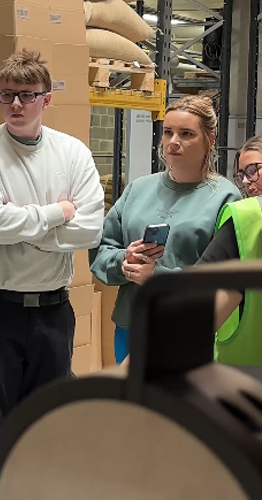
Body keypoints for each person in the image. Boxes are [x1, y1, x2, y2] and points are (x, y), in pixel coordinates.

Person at [0, 49, 105, 469]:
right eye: (6, 96)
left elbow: (91, 229)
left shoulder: (72, 153)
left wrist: (22, 223)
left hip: (52, 314)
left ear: (47, 99)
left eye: (26, 95)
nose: (16, 105)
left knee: (51, 428)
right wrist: (59, 214)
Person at [90, 95, 240, 365]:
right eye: (168, 132)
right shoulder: (138, 189)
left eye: (186, 134)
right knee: (131, 406)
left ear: (209, 140)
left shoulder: (225, 198)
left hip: (186, 328)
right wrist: (124, 261)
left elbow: (225, 278)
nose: (173, 142)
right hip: (131, 323)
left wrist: (158, 276)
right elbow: (101, 249)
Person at [196, 135, 262, 368]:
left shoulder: (247, 217)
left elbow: (190, 295)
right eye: (242, 175)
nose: (246, 181)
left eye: (253, 170)